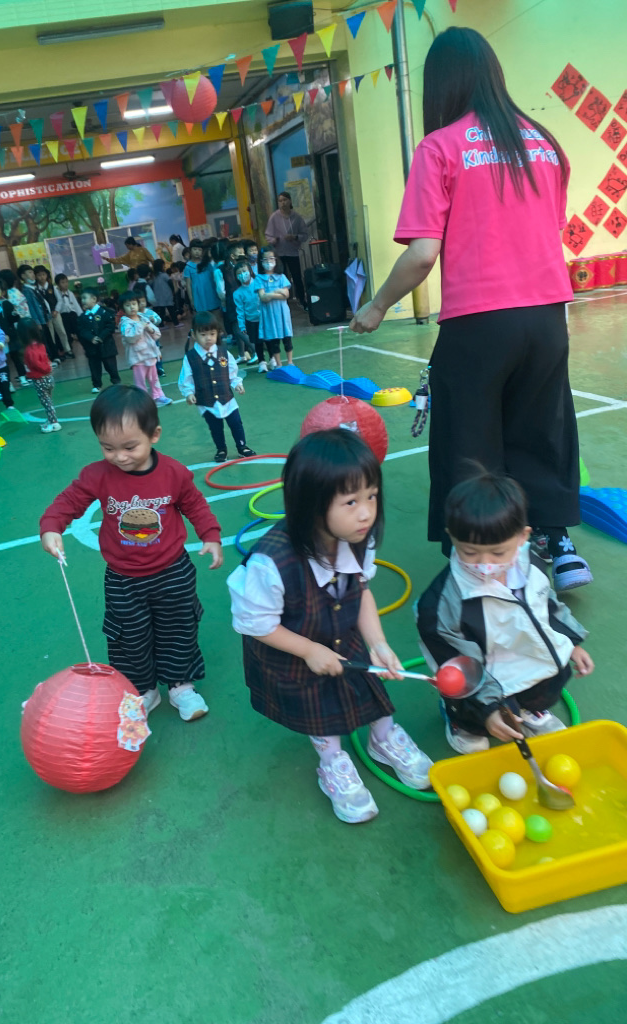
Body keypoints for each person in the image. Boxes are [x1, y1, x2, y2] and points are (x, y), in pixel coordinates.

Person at [348, 27, 590, 593]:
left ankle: (480, 562)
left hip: (479, 321)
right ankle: (557, 544)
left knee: (470, 443)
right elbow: (548, 229)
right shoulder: (544, 143)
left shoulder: (440, 147)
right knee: (542, 428)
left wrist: (377, 306)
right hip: (547, 317)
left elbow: (422, 254)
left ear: (441, 84)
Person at [228, 429, 433, 823]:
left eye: (372, 496)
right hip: (291, 649)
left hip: (339, 632)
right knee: (319, 707)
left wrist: (378, 644)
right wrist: (309, 650)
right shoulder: (270, 564)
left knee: (368, 686)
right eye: (351, 501)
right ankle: (332, 763)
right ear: (311, 504)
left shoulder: (357, 537)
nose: (366, 513)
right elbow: (255, 625)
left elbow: (361, 589)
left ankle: (384, 739)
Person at [40, 385, 222, 721]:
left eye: (129, 447)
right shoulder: (97, 475)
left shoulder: (173, 472)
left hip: (173, 571)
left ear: (154, 435)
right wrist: (52, 526)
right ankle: (143, 690)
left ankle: (181, 687)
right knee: (129, 637)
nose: (119, 457)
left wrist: (210, 535)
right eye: (107, 447)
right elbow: (70, 501)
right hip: (123, 578)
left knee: (179, 628)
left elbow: (195, 504)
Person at [415, 468, 593, 755]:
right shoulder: (441, 604)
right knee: (468, 701)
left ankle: (530, 709)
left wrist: (572, 642)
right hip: (482, 672)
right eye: (470, 552)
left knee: (552, 678)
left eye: (498, 553)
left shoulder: (531, 563)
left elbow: (547, 604)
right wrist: (486, 711)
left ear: (523, 537)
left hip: (526, 654)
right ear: (452, 537)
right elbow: (455, 663)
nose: (485, 564)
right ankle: (463, 723)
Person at [178, 311, 256, 464]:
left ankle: (242, 447)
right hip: (206, 402)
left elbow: (231, 372)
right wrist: (188, 393)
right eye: (203, 334)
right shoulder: (190, 357)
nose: (208, 338)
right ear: (194, 335)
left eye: (212, 334)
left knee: (236, 422)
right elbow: (186, 378)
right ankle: (221, 449)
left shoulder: (223, 353)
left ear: (217, 333)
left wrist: (237, 384)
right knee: (215, 428)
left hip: (227, 398)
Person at [119, 291, 171, 407]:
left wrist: (150, 329)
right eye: (128, 305)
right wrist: (140, 326)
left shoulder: (143, 318)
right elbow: (130, 338)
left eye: (134, 304)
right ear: (123, 308)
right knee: (140, 381)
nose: (132, 307)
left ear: (138, 305)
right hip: (137, 358)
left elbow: (157, 334)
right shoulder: (125, 323)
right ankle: (142, 400)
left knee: (154, 379)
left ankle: (158, 396)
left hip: (150, 354)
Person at [264, 192, 309, 310]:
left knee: (297, 277)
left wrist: (295, 237)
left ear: (290, 201)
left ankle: (302, 300)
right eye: (280, 201)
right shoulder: (274, 217)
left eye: (285, 200)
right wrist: (274, 240)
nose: (283, 203)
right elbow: (268, 235)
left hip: (292, 252)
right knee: (281, 277)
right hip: (279, 254)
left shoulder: (297, 217)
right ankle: (283, 301)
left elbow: (305, 234)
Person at [255, 246, 293, 369]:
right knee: (274, 340)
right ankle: (279, 364)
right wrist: (277, 292)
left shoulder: (281, 277)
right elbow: (263, 297)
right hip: (269, 314)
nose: (269, 262)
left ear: (276, 260)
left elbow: (286, 295)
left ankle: (290, 362)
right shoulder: (259, 278)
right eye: (265, 260)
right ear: (261, 262)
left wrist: (270, 294)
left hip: (282, 312)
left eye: (271, 258)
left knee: (287, 338)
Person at [77, 287, 121, 394]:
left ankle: (116, 381)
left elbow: (110, 327)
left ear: (94, 299)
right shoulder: (83, 317)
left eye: (85, 298)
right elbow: (81, 331)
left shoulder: (105, 312)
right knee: (94, 368)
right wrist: (91, 338)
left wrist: (101, 337)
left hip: (107, 347)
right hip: (92, 349)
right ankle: (97, 385)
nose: (82, 301)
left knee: (111, 366)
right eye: (81, 299)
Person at [0, 278, 29, 389]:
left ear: (3, 292)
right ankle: (8, 382)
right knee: (2, 360)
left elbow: (13, 319)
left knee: (16, 357)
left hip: (10, 336)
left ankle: (22, 377)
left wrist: (15, 314)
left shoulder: (6, 303)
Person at [22, 322, 61, 433]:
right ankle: (51, 420)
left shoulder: (29, 350)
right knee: (48, 400)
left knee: (46, 402)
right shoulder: (40, 345)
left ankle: (54, 423)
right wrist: (49, 368)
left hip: (40, 379)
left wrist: (46, 369)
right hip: (48, 378)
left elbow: (36, 364)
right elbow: (45, 359)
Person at [15, 264, 55, 366]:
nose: (33, 275)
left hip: (43, 318)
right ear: (23, 276)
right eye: (29, 272)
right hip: (38, 320)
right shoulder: (27, 290)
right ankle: (46, 361)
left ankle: (52, 359)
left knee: (47, 339)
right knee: (42, 341)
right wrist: (37, 322)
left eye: (32, 272)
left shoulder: (33, 287)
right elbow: (32, 308)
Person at [233, 258, 265, 373]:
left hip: (264, 318)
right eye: (239, 273)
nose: (243, 274)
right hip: (252, 321)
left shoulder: (259, 283)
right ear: (236, 276)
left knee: (269, 340)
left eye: (244, 271)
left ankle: (273, 359)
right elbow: (240, 311)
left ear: (250, 271)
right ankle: (262, 362)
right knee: (258, 342)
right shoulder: (237, 293)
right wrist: (242, 326)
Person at [35, 264, 72, 359]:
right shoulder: (36, 289)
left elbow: (59, 300)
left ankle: (68, 350)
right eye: (39, 275)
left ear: (46, 275)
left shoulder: (53, 287)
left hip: (55, 313)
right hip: (45, 316)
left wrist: (56, 310)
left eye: (43, 274)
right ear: (36, 276)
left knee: (62, 332)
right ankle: (55, 352)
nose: (42, 277)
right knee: (51, 335)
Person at [54, 273, 83, 346]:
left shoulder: (70, 293)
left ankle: (84, 345)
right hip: (63, 315)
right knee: (66, 333)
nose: (66, 284)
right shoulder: (55, 293)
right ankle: (69, 347)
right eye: (62, 282)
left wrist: (81, 315)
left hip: (72, 314)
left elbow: (76, 305)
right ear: (58, 284)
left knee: (79, 331)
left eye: (66, 282)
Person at [151, 259, 179, 325]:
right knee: (171, 310)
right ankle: (176, 323)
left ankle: (161, 325)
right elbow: (170, 282)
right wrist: (173, 290)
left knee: (161, 311)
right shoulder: (164, 275)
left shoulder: (154, 277)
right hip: (167, 295)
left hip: (158, 296)